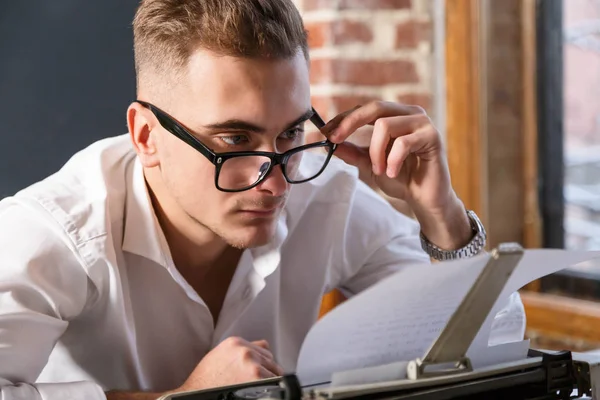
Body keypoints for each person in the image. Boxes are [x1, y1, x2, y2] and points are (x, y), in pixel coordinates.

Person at [0, 0, 525, 399]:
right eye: (234, 141)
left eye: (292, 134)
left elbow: (498, 348)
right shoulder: (52, 231)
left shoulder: (321, 193)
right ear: (145, 137)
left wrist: (440, 215)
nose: (275, 183)